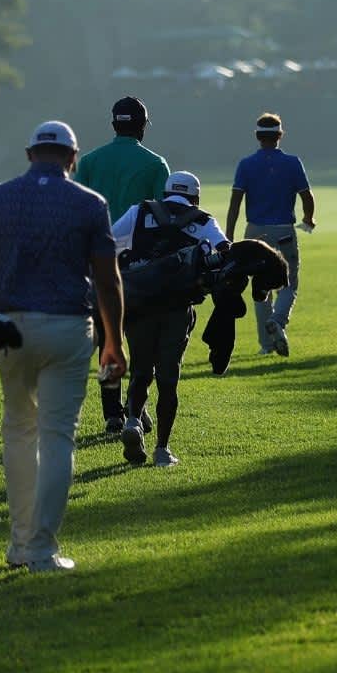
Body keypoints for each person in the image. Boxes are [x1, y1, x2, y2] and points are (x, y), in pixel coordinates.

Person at [0, 120, 126, 574]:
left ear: (29, 154)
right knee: (57, 436)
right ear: (73, 159)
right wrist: (114, 340)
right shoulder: (90, 203)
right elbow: (108, 280)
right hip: (68, 327)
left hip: (8, 328)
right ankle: (40, 548)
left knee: (18, 431)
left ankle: (19, 545)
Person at [111, 171, 229, 468]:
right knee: (168, 379)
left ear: (166, 193)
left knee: (140, 370)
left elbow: (109, 241)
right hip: (177, 309)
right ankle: (162, 450)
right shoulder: (203, 221)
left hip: (138, 306)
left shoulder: (139, 211)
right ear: (195, 197)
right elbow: (225, 251)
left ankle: (133, 421)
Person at [74, 96, 170, 433]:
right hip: (139, 265)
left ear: (114, 124)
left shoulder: (89, 162)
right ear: (142, 125)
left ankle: (112, 412)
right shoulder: (156, 165)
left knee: (105, 339)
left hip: (94, 263)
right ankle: (135, 407)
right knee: (142, 338)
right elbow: (163, 218)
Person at [226, 112, 315, 358]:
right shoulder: (293, 162)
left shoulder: (245, 164)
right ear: (280, 135)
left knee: (259, 286)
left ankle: (266, 344)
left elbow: (235, 203)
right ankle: (278, 321)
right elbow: (307, 197)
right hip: (284, 231)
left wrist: (230, 236)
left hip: (254, 233)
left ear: (257, 136)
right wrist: (309, 219)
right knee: (288, 284)